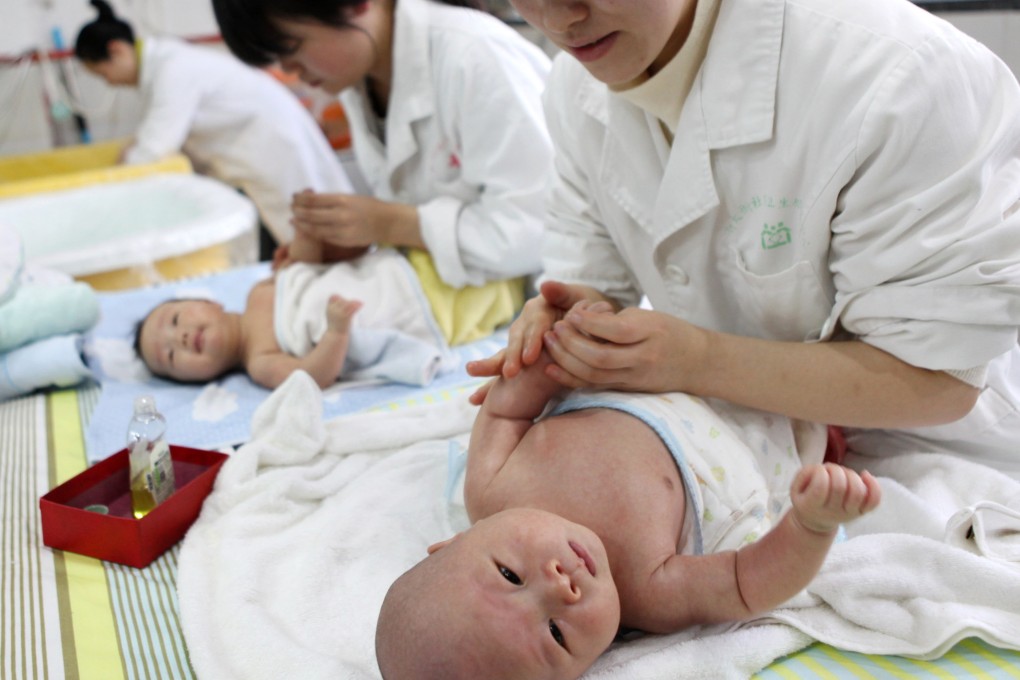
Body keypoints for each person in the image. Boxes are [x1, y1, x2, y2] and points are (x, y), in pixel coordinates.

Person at [468, 0, 1020, 481]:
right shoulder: (574, 85)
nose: (559, 20)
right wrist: (570, 324)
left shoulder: (897, 76)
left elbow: (939, 379)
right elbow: (594, 276)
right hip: (748, 431)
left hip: (930, 445)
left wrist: (698, 360)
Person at [375, 317, 881, 680]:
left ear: (452, 542)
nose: (559, 587)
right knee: (854, 360)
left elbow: (508, 409)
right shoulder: (649, 591)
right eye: (557, 635)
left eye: (510, 575)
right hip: (777, 412)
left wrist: (548, 347)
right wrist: (811, 525)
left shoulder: (490, 485)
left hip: (671, 354)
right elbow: (747, 583)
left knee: (766, 306)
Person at [210, 0, 554, 340]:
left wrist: (391, 223)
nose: (289, 69)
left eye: (291, 47)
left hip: (543, 301)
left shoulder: (476, 56)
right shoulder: (362, 77)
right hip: (471, 303)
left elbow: (535, 230)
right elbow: (416, 200)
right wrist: (352, 243)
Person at [74, 0, 353, 260]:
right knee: (304, 238)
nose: (109, 83)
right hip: (261, 150)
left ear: (116, 50)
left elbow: (155, 146)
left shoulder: (172, 69)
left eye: (102, 74)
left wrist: (109, 183)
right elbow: (155, 131)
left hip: (273, 148)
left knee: (317, 237)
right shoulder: (164, 66)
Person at [136, 249, 449, 389]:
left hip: (395, 269)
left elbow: (308, 267)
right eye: (171, 356)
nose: (179, 338)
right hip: (419, 310)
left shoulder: (259, 290)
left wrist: (303, 240)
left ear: (207, 300)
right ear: (196, 380)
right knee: (492, 297)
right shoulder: (260, 361)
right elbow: (314, 376)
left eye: (175, 320)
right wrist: (336, 333)